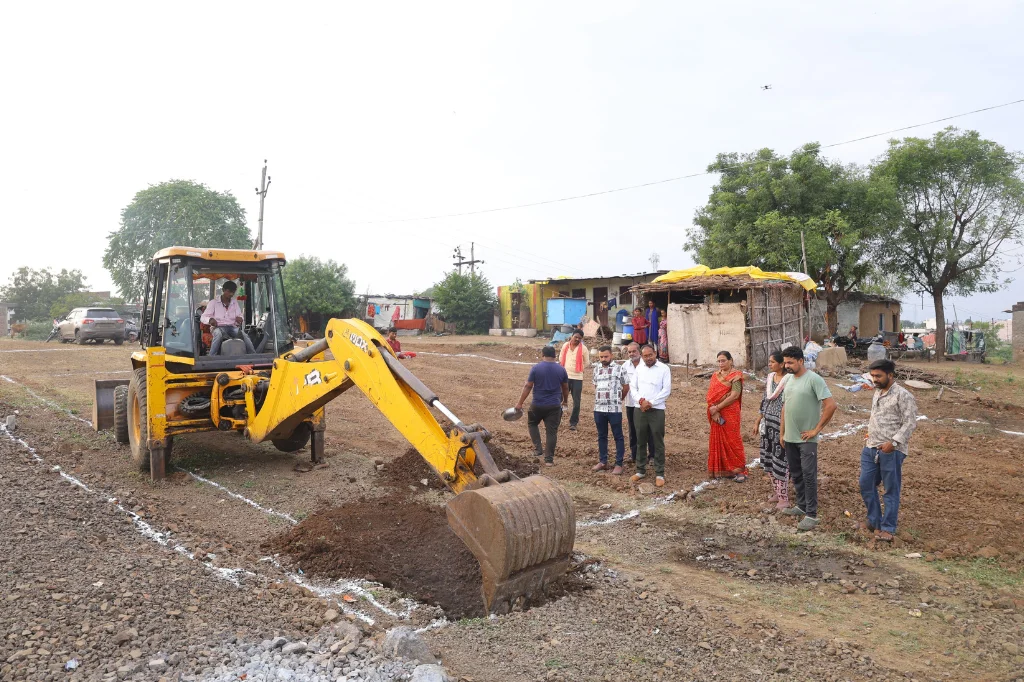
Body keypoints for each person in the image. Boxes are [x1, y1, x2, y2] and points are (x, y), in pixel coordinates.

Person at [779, 346, 837, 531]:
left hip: (806, 439)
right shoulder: (788, 379)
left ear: (801, 361)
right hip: (790, 437)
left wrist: (816, 430)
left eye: (790, 362)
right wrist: (782, 432)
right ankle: (801, 505)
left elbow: (831, 406)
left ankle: (811, 514)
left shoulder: (814, 379)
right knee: (796, 474)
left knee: (809, 475)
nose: (786, 365)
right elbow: (785, 407)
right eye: (785, 362)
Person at [861, 359, 918, 542]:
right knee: (866, 484)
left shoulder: (903, 395)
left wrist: (893, 443)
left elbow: (910, 423)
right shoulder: (877, 392)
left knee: (890, 489)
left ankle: (888, 527)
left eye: (878, 376)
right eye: (872, 376)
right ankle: (873, 520)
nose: (874, 379)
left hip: (891, 451)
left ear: (890, 375)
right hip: (871, 447)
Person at [515, 345, 569, 466]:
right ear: (555, 356)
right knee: (551, 432)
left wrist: (520, 403)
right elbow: (565, 387)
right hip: (554, 405)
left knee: (532, 423)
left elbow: (528, 386)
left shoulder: (536, 368)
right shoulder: (561, 369)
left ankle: (538, 449)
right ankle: (549, 460)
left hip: (537, 404)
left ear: (542, 355)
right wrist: (565, 401)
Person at [629, 345, 671, 487]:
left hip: (657, 410)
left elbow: (666, 390)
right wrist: (641, 401)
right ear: (642, 356)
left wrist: (651, 403)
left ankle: (659, 472)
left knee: (658, 441)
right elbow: (633, 388)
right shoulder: (639, 369)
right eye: (645, 356)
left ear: (655, 354)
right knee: (641, 439)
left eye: (650, 355)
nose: (648, 358)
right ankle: (640, 470)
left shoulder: (664, 369)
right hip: (639, 409)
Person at [754, 351, 790, 508]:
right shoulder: (770, 379)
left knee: (781, 461)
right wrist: (758, 421)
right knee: (769, 460)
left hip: (781, 426)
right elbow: (764, 401)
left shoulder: (789, 381)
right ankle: (777, 492)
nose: (769, 364)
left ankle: (784, 498)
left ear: (782, 364)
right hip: (768, 425)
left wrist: (783, 431)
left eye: (772, 362)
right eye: (769, 362)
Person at [707, 351, 747, 481]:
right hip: (716, 413)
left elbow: (735, 395)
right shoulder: (715, 376)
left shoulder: (736, 376)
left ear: (731, 360)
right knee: (718, 439)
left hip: (730, 412)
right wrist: (714, 409)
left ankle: (740, 470)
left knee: (733, 439)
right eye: (718, 361)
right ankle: (721, 470)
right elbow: (711, 396)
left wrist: (718, 407)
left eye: (723, 360)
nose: (720, 363)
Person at [591, 345, 629, 474]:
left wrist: (619, 399)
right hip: (599, 408)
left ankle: (618, 463)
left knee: (618, 436)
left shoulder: (619, 369)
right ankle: (603, 462)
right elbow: (595, 386)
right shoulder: (596, 369)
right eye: (601, 357)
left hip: (614, 409)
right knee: (602, 436)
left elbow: (626, 386)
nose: (603, 359)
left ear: (611, 355)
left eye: (606, 356)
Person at [621, 342, 654, 465]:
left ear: (639, 352)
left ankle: (652, 456)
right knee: (633, 430)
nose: (631, 354)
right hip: (631, 403)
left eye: (634, 351)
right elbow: (623, 385)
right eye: (629, 352)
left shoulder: (646, 365)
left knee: (649, 429)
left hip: (646, 403)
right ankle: (635, 454)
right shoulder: (625, 366)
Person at [201, 281, 256, 355]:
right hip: (218, 327)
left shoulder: (234, 302)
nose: (231, 294)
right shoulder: (213, 303)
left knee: (244, 335)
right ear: (223, 290)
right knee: (218, 335)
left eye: (233, 292)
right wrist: (210, 320)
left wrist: (240, 318)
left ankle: (253, 355)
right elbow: (203, 317)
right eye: (229, 291)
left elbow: (240, 315)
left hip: (232, 327)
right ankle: (212, 356)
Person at [558, 329, 589, 431]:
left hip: (577, 378)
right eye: (575, 337)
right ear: (571, 336)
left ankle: (573, 423)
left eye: (579, 338)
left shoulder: (584, 349)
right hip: (565, 377)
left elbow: (587, 363)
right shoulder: (565, 346)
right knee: (560, 399)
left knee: (577, 402)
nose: (577, 339)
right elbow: (561, 358)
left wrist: (579, 369)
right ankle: (556, 420)